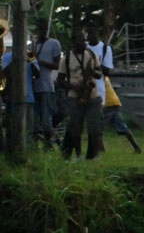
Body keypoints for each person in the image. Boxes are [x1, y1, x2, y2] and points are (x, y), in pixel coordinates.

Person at [57, 30, 103, 160]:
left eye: (84, 40)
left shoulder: (91, 54)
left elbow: (100, 74)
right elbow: (59, 81)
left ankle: (93, 155)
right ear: (73, 43)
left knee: (94, 126)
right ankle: (79, 155)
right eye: (80, 40)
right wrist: (73, 87)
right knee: (75, 127)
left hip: (92, 94)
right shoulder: (65, 59)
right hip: (75, 95)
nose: (83, 43)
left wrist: (92, 72)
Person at [32, 26, 62, 149]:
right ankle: (34, 144)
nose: (41, 32)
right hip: (34, 87)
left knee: (46, 117)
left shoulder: (54, 43)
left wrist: (40, 62)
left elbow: (56, 65)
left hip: (47, 86)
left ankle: (48, 143)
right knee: (34, 119)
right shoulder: (34, 45)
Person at [85, 23, 112, 154]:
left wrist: (95, 65)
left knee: (97, 117)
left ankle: (99, 145)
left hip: (99, 88)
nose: (90, 36)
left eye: (92, 33)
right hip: (84, 88)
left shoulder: (105, 49)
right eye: (88, 34)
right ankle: (98, 145)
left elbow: (107, 70)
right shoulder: (84, 49)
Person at [102, 76, 142, 153]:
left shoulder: (94, 78)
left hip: (106, 104)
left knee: (98, 129)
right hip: (115, 102)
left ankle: (102, 150)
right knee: (123, 127)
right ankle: (136, 147)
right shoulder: (105, 77)